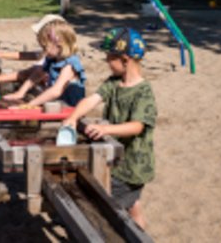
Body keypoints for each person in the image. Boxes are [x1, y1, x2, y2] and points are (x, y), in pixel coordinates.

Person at [62, 27, 157, 231]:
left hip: (131, 165)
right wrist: (73, 117)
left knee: (107, 206)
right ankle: (140, 235)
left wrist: (106, 130)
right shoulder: (114, 83)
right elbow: (92, 100)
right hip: (116, 160)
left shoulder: (143, 92)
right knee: (133, 204)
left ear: (125, 59)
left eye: (109, 57)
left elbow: (137, 126)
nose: (106, 61)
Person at [2, 18, 86, 107]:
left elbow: (56, 91)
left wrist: (30, 105)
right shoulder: (52, 59)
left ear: (59, 45)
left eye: (45, 47)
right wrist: (20, 92)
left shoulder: (70, 65)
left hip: (70, 107)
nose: (43, 51)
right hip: (57, 103)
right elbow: (37, 75)